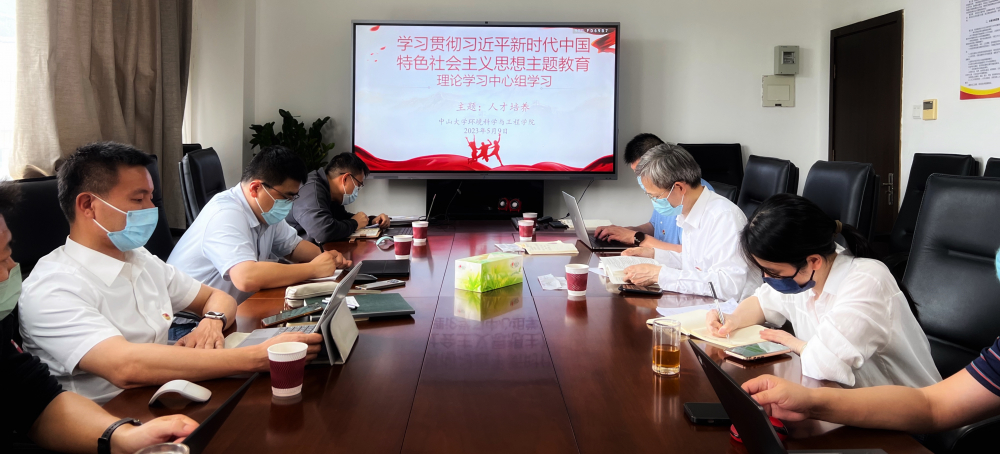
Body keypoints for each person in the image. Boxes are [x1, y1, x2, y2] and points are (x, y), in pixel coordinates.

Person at [18, 142, 322, 404]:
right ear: (88, 205)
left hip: (166, 393)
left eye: (151, 197)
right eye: (138, 199)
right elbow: (125, 367)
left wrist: (212, 322)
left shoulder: (140, 259)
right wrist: (256, 357)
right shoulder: (53, 286)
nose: (151, 208)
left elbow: (217, 297)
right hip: (111, 416)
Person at [1, 181, 199, 453]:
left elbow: (39, 403)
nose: (10, 270)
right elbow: (126, 367)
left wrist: (123, 437)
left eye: (8, 254)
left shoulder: (1, 330)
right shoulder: (53, 284)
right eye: (0, 260)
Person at [740, 252, 1000, 434]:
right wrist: (811, 402)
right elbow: (931, 406)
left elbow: (823, 363)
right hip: (883, 412)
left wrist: (812, 397)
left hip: (900, 427)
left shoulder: (866, 278)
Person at [708, 194, 940, 388]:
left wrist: (796, 344)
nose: (767, 278)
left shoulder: (866, 281)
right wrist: (733, 319)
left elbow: (824, 365)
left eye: (774, 272)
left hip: (907, 415)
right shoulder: (807, 273)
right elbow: (762, 302)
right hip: (848, 401)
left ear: (814, 261)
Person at [168, 145, 351, 307]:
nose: (289, 204)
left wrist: (328, 259)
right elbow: (246, 277)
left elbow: (293, 247)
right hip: (190, 323)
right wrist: (313, 269)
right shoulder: (225, 213)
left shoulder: (265, 211)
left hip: (233, 309)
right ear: (255, 188)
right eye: (287, 197)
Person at [619, 144, 759, 301]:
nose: (655, 202)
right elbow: (694, 264)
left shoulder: (724, 217)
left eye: (656, 197)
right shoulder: (688, 211)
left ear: (679, 187)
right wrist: (654, 255)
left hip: (732, 309)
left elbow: (728, 287)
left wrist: (659, 275)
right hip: (707, 303)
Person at [595, 133, 713, 252]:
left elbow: (690, 254)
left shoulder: (691, 199)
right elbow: (656, 227)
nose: (641, 179)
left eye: (642, 172)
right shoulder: (666, 193)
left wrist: (639, 239)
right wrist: (627, 232)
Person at [286, 152, 389, 244]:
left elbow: (340, 218)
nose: (357, 190)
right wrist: (355, 223)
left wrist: (371, 221)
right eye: (358, 185)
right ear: (345, 179)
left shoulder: (329, 191)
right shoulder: (312, 190)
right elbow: (323, 232)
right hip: (294, 256)